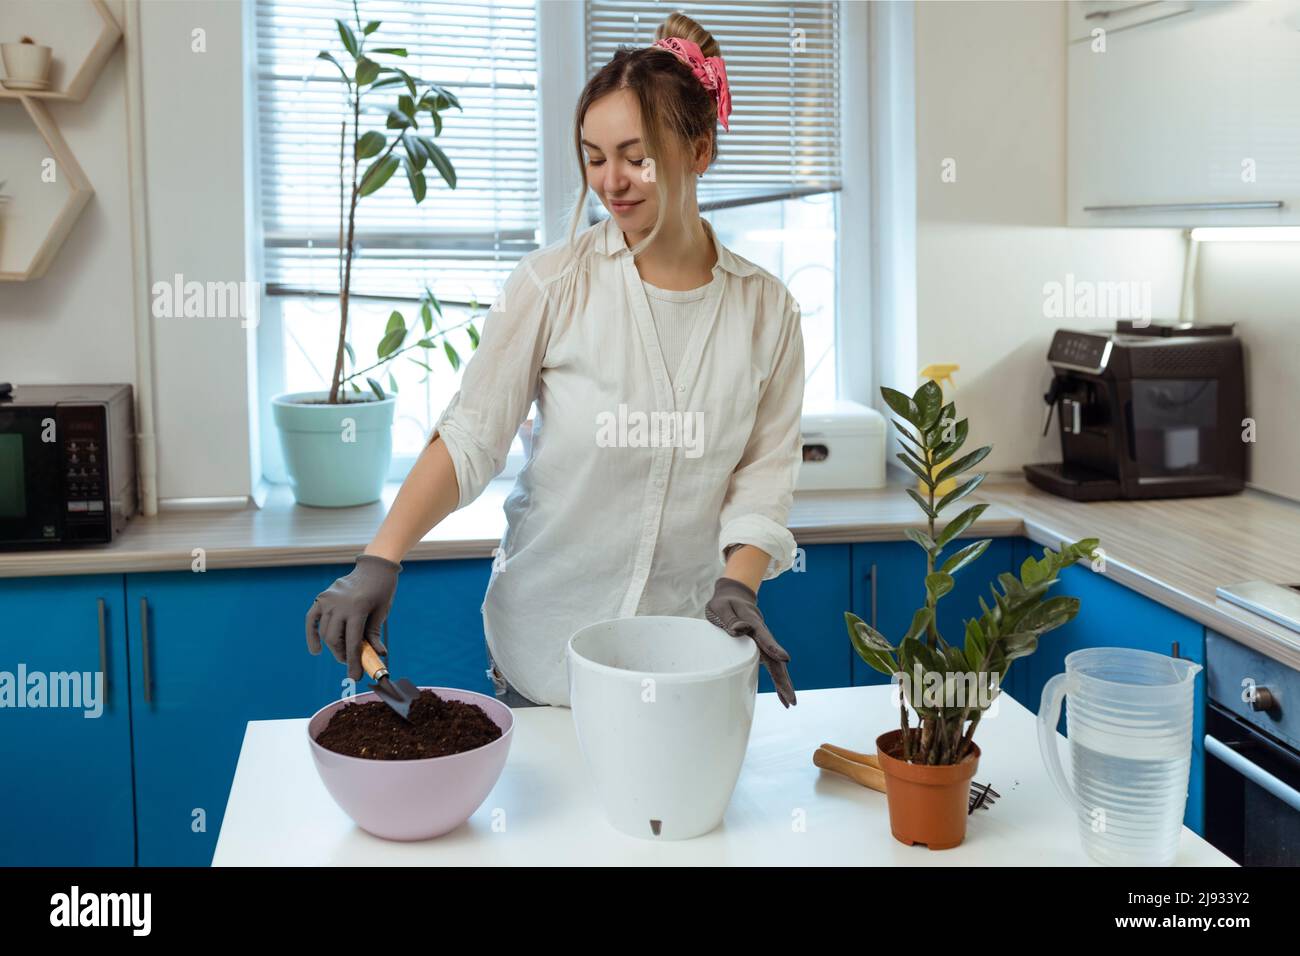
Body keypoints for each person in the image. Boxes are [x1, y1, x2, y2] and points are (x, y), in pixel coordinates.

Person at [306, 12, 805, 710]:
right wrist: (380, 556)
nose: (612, 181)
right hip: (546, 655)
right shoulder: (553, 285)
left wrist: (738, 584)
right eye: (594, 156)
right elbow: (473, 434)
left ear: (699, 150)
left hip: (687, 654)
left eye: (636, 155)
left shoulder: (767, 312)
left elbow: (762, 480)